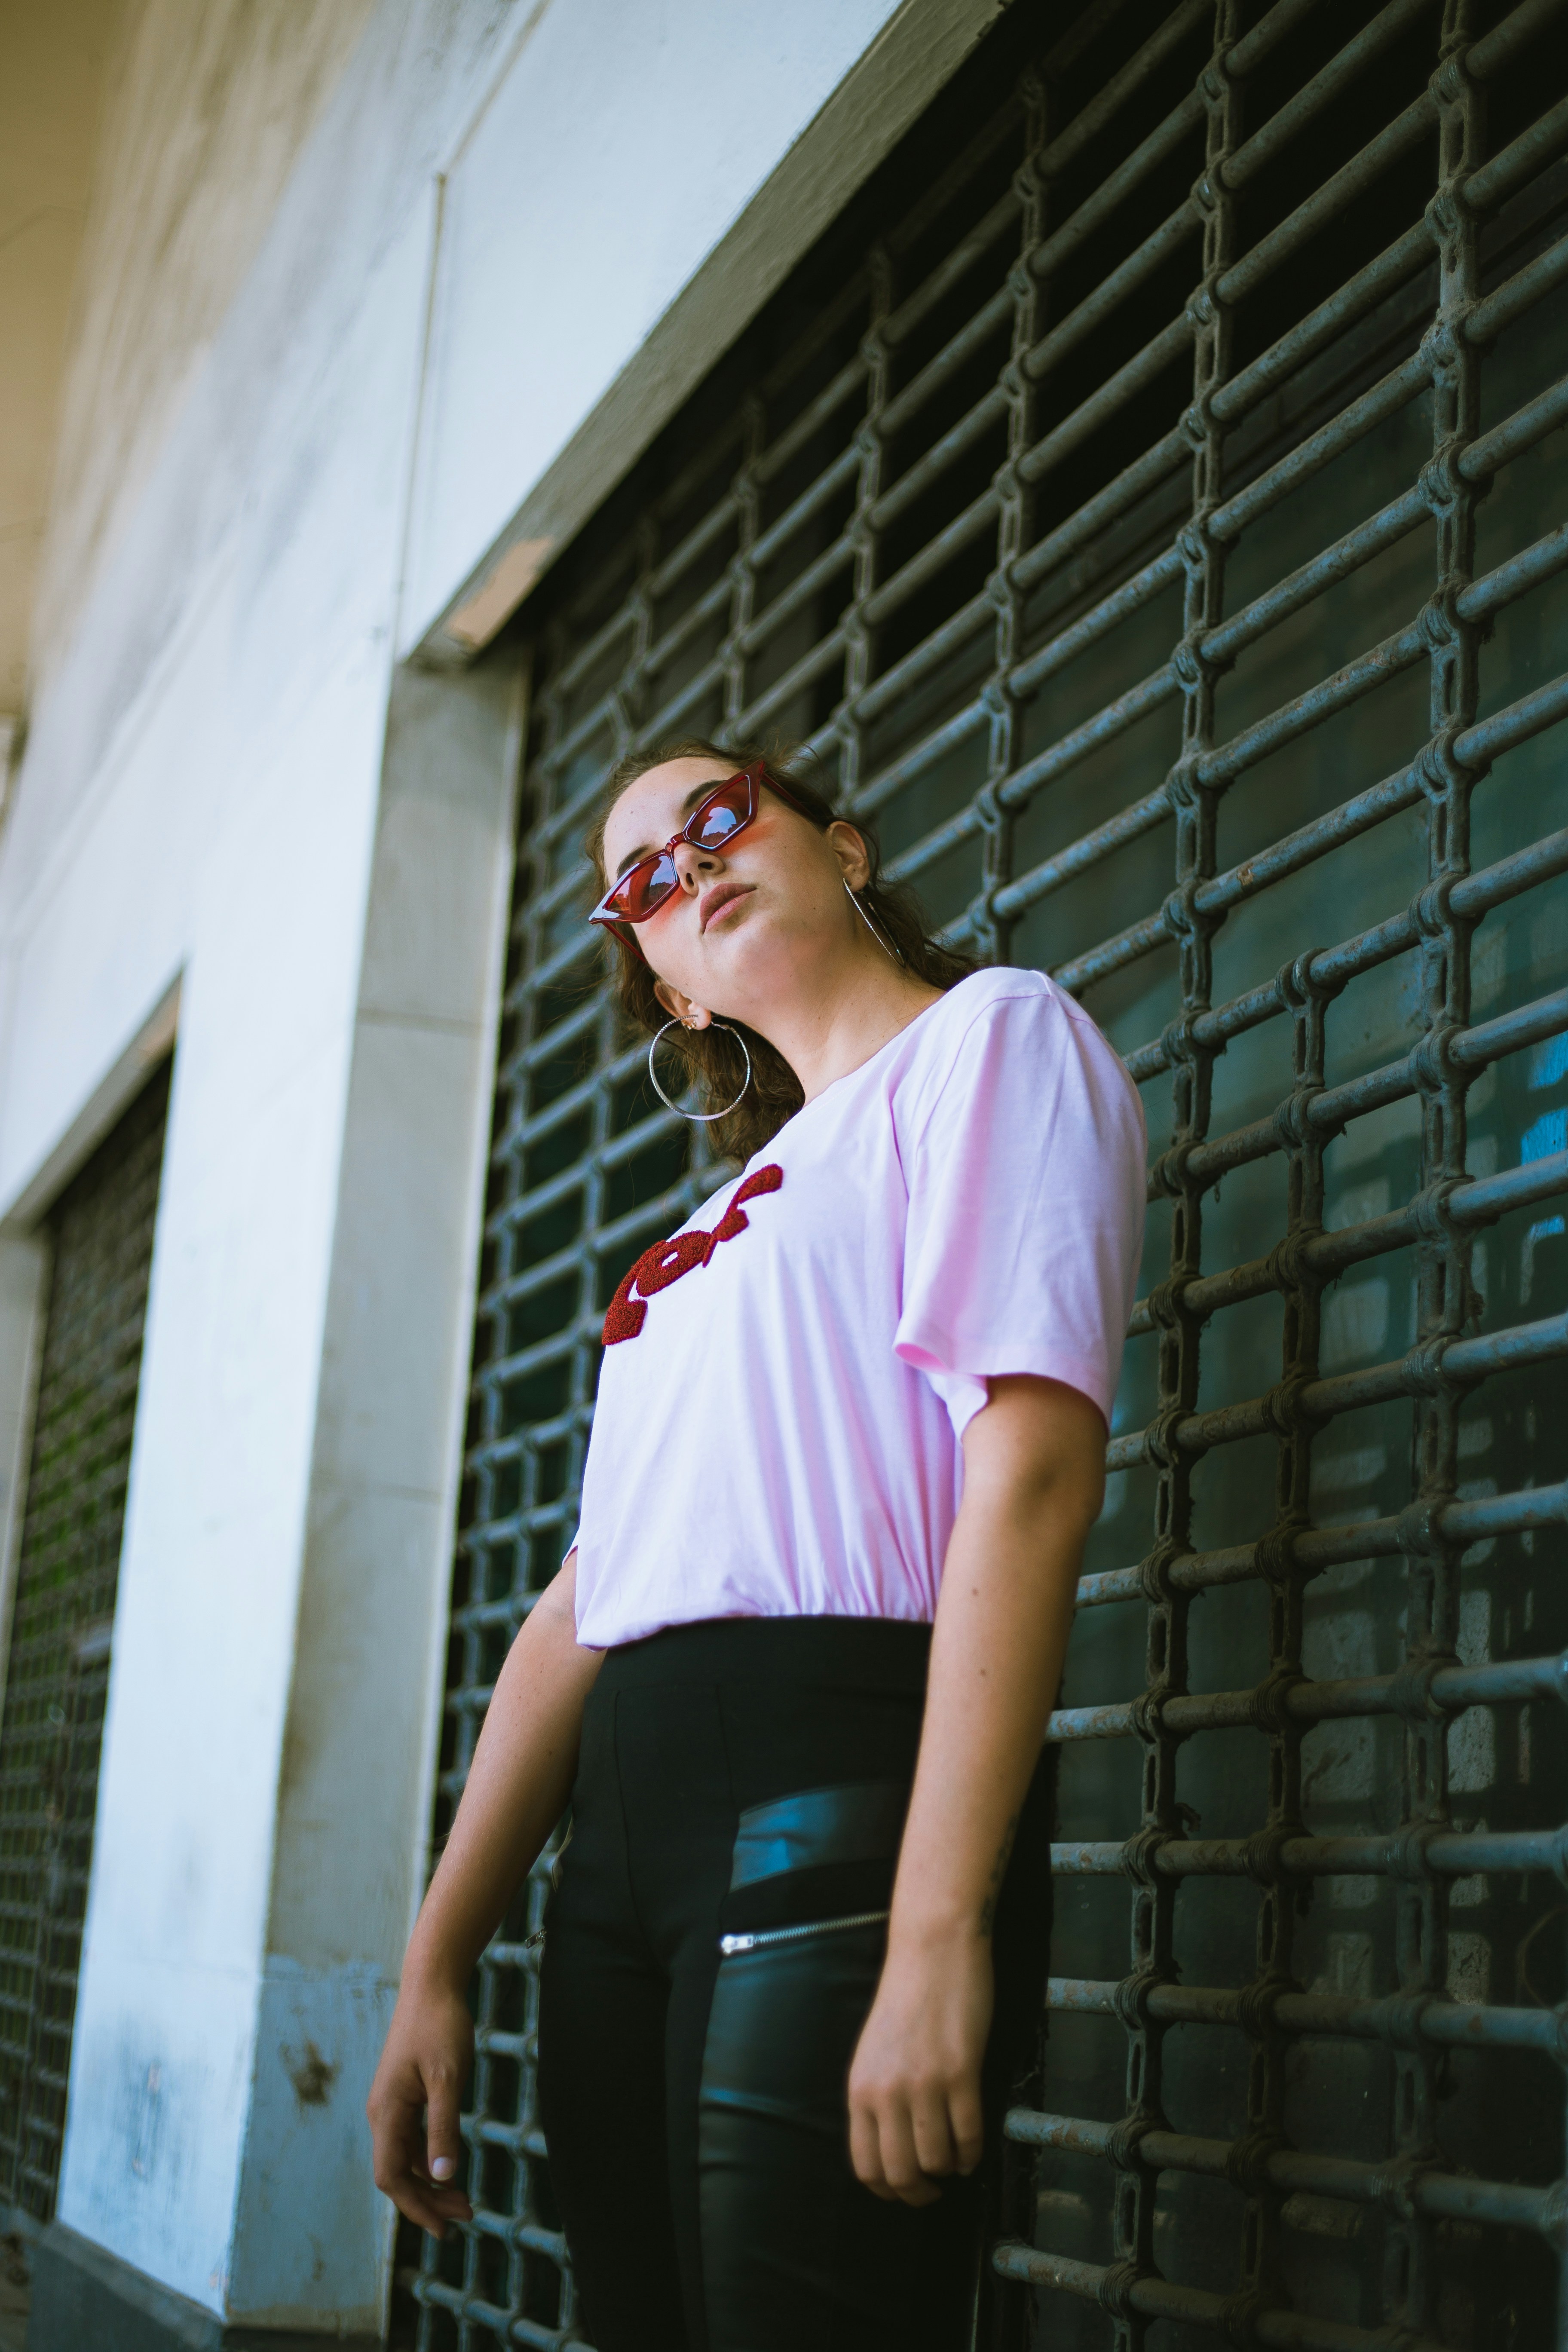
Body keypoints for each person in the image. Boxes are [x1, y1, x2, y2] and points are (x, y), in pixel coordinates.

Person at [368, 737, 1146, 2351]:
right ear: (668, 989)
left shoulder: (991, 1042)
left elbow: (1031, 1479)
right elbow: (585, 1602)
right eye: (643, 879)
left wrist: (941, 1927)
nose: (691, 864)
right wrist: (436, 1963)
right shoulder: (699, 1241)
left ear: (842, 850)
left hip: (839, 1780)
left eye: (721, 819)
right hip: (623, 1839)